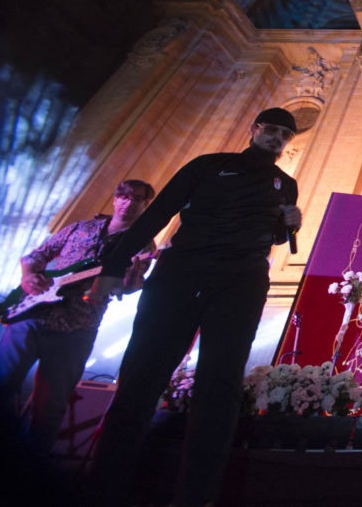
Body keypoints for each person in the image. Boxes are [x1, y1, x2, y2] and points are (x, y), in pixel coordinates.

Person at [85, 107, 301, 507]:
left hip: (241, 281)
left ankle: (197, 496)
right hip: (182, 273)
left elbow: (274, 236)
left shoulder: (285, 184)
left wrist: (291, 224)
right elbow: (158, 213)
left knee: (219, 387)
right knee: (142, 376)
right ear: (254, 129)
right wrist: (113, 267)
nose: (276, 137)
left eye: (284, 134)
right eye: (270, 129)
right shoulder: (208, 165)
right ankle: (106, 488)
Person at [0, 179, 156, 454]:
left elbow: (128, 287)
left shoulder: (144, 244)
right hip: (32, 315)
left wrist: (135, 273)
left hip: (78, 327)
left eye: (137, 199)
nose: (129, 202)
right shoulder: (82, 227)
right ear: (114, 199)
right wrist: (29, 278)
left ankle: (29, 475)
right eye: (124, 196)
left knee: (50, 406)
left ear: (146, 205)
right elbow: (36, 256)